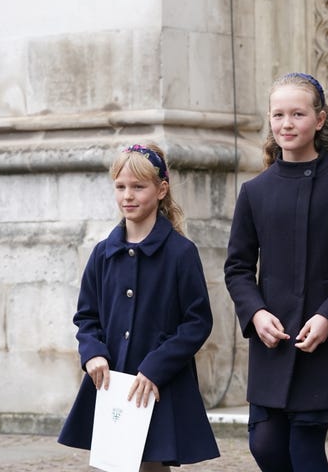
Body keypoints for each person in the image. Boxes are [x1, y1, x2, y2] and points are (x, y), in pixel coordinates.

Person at [224, 72, 328, 471]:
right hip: (273, 339)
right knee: (265, 444)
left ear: (320, 119)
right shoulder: (255, 191)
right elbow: (238, 267)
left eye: (298, 114)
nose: (287, 123)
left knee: (305, 446)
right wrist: (255, 313)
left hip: (324, 342)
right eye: (278, 115)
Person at [58, 143, 220, 471]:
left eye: (138, 187)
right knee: (115, 464)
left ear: (161, 190)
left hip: (159, 381)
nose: (128, 196)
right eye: (120, 187)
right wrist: (92, 353)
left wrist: (157, 366)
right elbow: (86, 316)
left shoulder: (181, 253)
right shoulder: (102, 254)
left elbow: (197, 321)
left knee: (152, 465)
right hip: (112, 378)